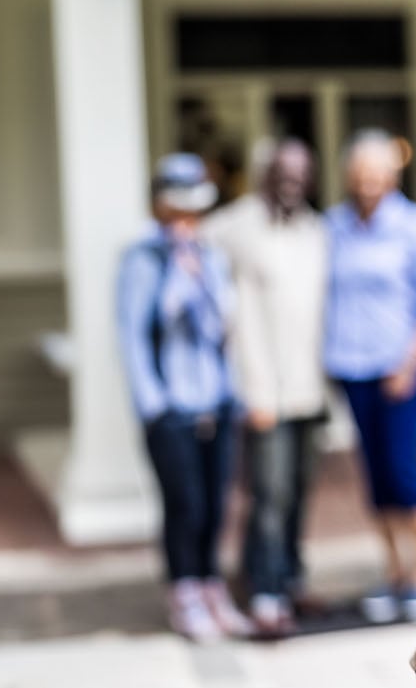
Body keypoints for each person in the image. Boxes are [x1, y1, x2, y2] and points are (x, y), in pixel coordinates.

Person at [326, 130, 416, 623]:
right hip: (352, 369)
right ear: (348, 176)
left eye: (377, 173)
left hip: (401, 369)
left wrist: (408, 365)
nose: (368, 182)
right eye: (360, 173)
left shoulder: (414, 225)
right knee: (376, 476)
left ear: (393, 174)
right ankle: (395, 573)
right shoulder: (334, 227)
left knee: (404, 471)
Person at [118, 153, 251, 643]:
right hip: (171, 408)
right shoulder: (142, 260)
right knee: (185, 505)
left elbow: (222, 326)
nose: (187, 221)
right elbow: (133, 332)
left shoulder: (211, 256)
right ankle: (185, 594)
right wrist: (153, 407)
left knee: (216, 506)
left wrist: (202, 279)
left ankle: (212, 588)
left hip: (215, 401)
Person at [200, 139, 329, 637]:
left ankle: (291, 581)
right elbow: (192, 240)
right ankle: (264, 593)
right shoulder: (237, 225)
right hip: (263, 393)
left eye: (300, 174)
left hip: (308, 389)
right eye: (282, 173)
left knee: (297, 492)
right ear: (265, 176)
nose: (291, 182)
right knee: (269, 496)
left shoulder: (315, 230)